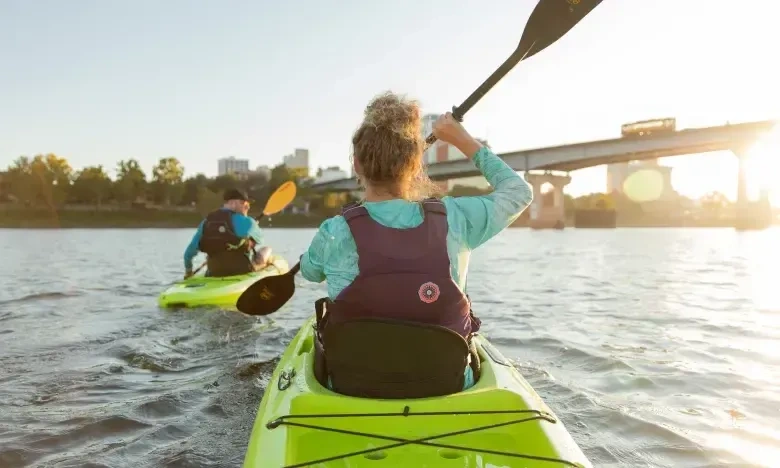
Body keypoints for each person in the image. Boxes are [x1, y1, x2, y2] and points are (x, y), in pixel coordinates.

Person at [299, 91, 533, 396]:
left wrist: (311, 257)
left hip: (351, 387)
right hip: (446, 387)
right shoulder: (456, 218)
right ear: (415, 165)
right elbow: (519, 192)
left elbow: (308, 271)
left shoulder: (333, 231)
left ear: (356, 165)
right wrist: (462, 139)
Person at [183, 188, 272, 278]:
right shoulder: (248, 222)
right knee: (266, 249)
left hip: (214, 272)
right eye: (243, 203)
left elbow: (188, 254)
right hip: (242, 271)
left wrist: (188, 271)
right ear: (233, 203)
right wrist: (253, 226)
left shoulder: (206, 222)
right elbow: (260, 239)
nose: (247, 206)